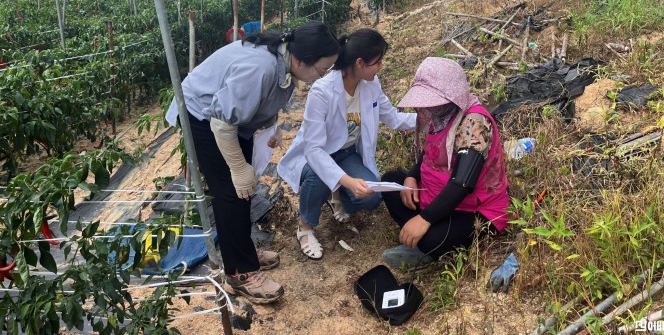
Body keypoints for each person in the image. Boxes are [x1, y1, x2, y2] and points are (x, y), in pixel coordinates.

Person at [165, 21, 339, 303]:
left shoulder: (283, 60)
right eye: (321, 70)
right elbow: (221, 123)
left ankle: (242, 249)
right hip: (202, 118)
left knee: (244, 191)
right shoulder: (261, 67)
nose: (322, 76)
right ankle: (240, 273)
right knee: (232, 193)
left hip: (229, 121)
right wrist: (237, 166)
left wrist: (271, 127)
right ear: (301, 59)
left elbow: (260, 103)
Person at [278, 29, 416, 260]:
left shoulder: (371, 84)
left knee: (371, 196)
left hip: (346, 152)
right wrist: (348, 181)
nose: (380, 66)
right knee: (319, 175)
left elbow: (392, 117)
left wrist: (427, 119)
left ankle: (337, 195)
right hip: (316, 154)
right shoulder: (322, 92)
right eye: (377, 62)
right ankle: (305, 226)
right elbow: (313, 149)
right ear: (360, 63)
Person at [381, 57, 509, 268]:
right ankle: (424, 232)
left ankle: (426, 240)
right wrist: (412, 176)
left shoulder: (474, 123)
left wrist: (424, 219)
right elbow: (429, 153)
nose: (427, 107)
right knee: (392, 182)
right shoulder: (442, 115)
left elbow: (462, 183)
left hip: (473, 208)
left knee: (431, 239)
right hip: (437, 193)